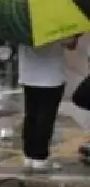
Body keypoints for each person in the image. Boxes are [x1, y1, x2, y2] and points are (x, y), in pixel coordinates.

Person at [18, 35, 77, 171]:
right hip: (51, 76)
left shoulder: (22, 22)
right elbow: (70, 43)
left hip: (28, 75)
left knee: (31, 115)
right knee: (46, 117)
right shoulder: (53, 21)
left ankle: (29, 155)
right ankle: (40, 157)